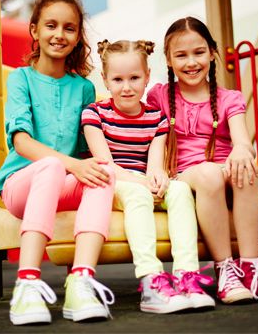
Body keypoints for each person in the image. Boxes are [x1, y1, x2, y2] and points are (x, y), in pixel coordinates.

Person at [147, 16, 258, 304]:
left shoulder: (229, 99)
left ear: (212, 52)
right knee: (209, 174)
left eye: (199, 52)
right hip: (187, 173)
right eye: (181, 55)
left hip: (225, 169)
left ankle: (252, 269)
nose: (191, 62)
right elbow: (150, 136)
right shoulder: (161, 96)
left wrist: (241, 149)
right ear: (168, 60)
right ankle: (225, 269)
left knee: (246, 168)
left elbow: (242, 140)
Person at [0, 0, 116, 325]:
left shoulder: (84, 89)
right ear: (34, 30)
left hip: (61, 183)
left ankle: (81, 280)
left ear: (77, 37)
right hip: (21, 185)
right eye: (51, 25)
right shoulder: (21, 79)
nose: (59, 34)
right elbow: (22, 143)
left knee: (103, 172)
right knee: (48, 164)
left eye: (69, 28)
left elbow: (86, 150)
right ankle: (27, 284)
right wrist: (73, 165)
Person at [81, 39, 215, 314]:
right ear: (105, 79)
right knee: (139, 193)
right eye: (118, 79)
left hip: (143, 180)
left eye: (134, 78)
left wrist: (161, 178)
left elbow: (156, 164)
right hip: (114, 182)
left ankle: (186, 276)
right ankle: (151, 279)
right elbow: (107, 166)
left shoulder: (156, 118)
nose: (127, 86)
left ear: (147, 77)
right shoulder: (95, 114)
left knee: (179, 191)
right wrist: (143, 183)